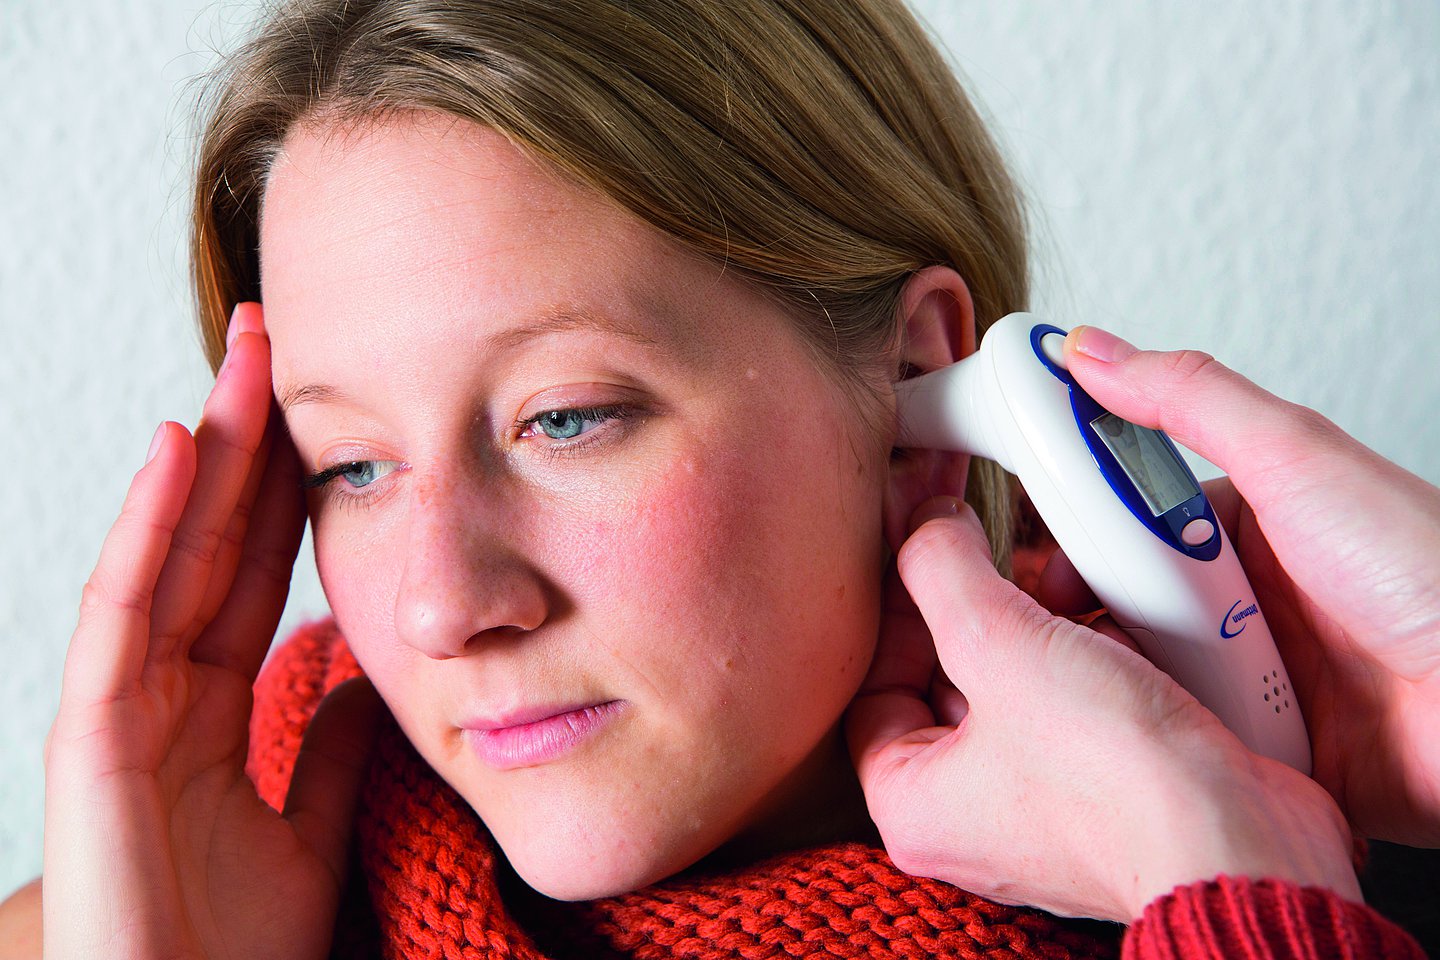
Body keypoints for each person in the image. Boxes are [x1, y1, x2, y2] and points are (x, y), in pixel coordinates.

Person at [5, 0, 1437, 956]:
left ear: (914, 401)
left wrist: (1229, 891)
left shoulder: (1315, 866)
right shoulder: (137, 905)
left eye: (565, 419)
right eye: (353, 464)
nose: (443, 606)